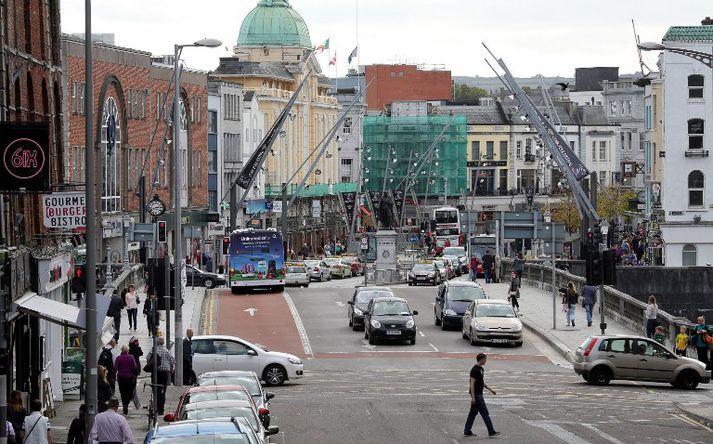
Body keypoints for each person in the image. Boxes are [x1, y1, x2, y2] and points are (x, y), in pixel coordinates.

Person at [463, 353, 500, 438]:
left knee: (472, 413)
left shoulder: (481, 369)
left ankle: (467, 430)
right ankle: (491, 431)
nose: (486, 361)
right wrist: (473, 397)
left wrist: (491, 390)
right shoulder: (474, 370)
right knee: (485, 413)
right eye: (485, 359)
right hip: (477, 395)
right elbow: (472, 384)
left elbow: (481, 382)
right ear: (481, 359)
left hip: (479, 395)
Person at [147, 337, 175, 415]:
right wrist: (171, 370)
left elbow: (148, 358)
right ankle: (161, 409)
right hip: (164, 374)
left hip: (155, 373)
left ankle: (154, 408)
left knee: (155, 390)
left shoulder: (153, 350)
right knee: (162, 392)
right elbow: (172, 361)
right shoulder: (167, 351)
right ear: (163, 343)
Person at [113, 345, 138, 414]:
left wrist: (114, 377)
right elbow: (135, 367)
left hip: (121, 377)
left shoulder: (118, 358)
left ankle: (124, 404)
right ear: (128, 350)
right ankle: (126, 404)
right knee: (129, 392)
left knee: (122, 392)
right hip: (129, 377)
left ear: (121, 350)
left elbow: (115, 368)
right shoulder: (131, 358)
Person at [128, 337, 143, 410]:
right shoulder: (138, 348)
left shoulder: (130, 349)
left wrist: (131, 343)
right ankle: (134, 399)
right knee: (133, 384)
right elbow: (141, 353)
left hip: (130, 369)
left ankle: (131, 396)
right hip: (136, 368)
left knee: (131, 384)